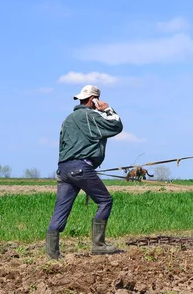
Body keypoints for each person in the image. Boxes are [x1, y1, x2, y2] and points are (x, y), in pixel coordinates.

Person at [46, 84, 123, 260]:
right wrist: (107, 109)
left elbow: (62, 146)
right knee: (105, 201)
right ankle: (99, 245)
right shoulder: (90, 116)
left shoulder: (67, 120)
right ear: (92, 100)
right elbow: (116, 126)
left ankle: (52, 254)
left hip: (64, 169)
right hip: (81, 167)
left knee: (60, 211)